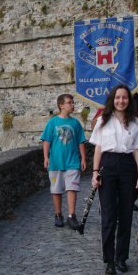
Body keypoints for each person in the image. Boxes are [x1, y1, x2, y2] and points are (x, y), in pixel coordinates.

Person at [90, 85, 138, 275]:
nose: (121, 101)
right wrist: (95, 172)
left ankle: (122, 257)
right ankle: (109, 261)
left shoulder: (135, 123)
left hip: (127, 166)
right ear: (112, 100)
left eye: (124, 98)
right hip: (108, 165)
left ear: (129, 101)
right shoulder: (102, 121)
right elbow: (98, 148)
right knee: (108, 216)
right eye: (117, 98)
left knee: (125, 214)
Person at [41, 94, 87, 229]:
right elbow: (46, 141)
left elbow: (81, 142)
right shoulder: (52, 122)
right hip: (56, 162)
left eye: (72, 102)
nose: (72, 105)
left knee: (72, 188)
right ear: (61, 105)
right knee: (56, 189)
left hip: (72, 161)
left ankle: (72, 216)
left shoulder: (75, 123)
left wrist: (83, 158)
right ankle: (58, 214)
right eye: (69, 103)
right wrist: (46, 157)